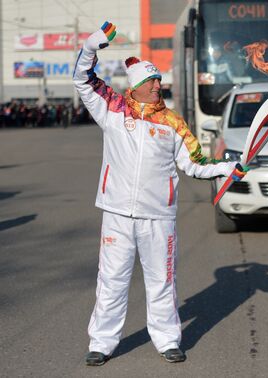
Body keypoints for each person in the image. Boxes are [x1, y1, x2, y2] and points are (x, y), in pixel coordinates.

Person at [73, 22, 248, 366]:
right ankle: (102, 342)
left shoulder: (174, 123)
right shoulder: (111, 109)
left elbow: (197, 164)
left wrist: (229, 168)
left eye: (158, 81)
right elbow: (82, 79)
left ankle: (167, 339)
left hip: (159, 216)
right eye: (151, 81)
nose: (158, 85)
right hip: (118, 212)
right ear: (136, 86)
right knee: (111, 280)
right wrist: (91, 47)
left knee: (162, 281)